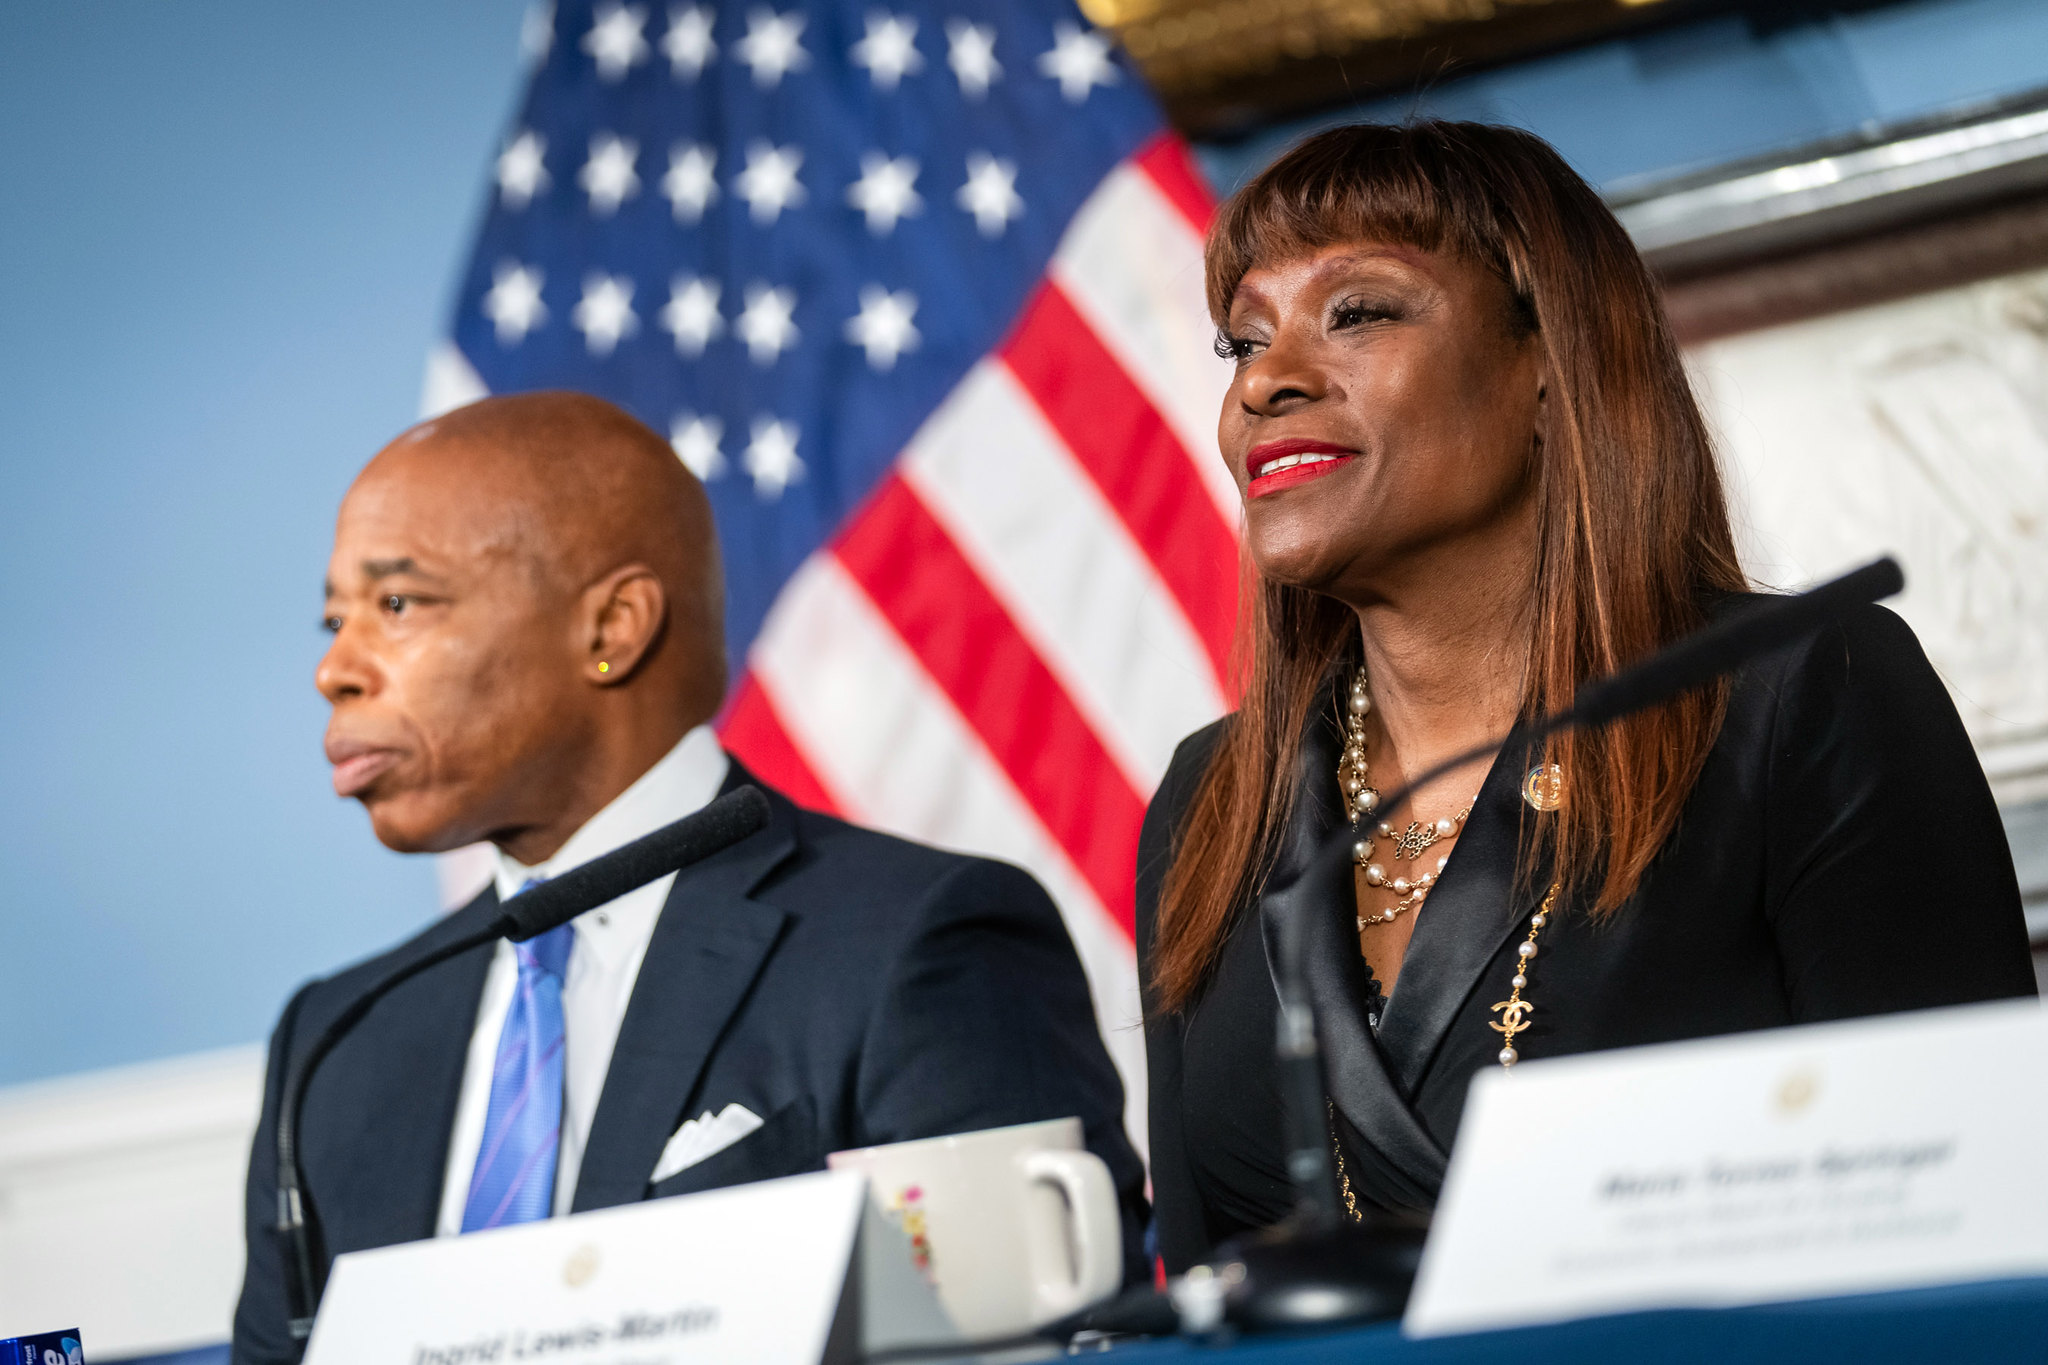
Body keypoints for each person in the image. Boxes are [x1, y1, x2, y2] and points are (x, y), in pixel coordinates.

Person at [1137, 121, 2037, 1271]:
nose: (1266, 379)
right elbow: (1203, 1292)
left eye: (1358, 313)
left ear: (1546, 370)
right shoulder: (1212, 797)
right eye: (1240, 340)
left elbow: (1968, 1223)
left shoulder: (1799, 692)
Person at [234, 392, 1146, 1362]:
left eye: (397, 604)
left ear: (612, 628)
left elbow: (1046, 1338)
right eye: (334, 620)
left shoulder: (915, 944)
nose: (336, 669)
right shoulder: (338, 1043)